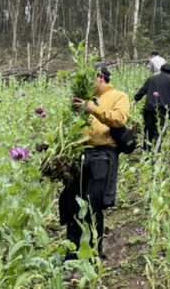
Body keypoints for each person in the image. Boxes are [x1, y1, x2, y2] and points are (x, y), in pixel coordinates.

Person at [60, 64, 129, 261]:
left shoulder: (118, 96)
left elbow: (119, 119)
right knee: (72, 203)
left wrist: (93, 108)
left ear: (100, 77)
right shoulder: (83, 98)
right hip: (80, 153)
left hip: (103, 154)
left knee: (92, 203)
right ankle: (72, 254)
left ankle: (93, 252)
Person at [133, 63, 170, 151]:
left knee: (147, 132)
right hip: (163, 110)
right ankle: (155, 155)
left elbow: (142, 91)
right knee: (158, 133)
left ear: (161, 70)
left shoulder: (151, 78)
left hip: (149, 109)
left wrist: (134, 102)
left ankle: (145, 154)